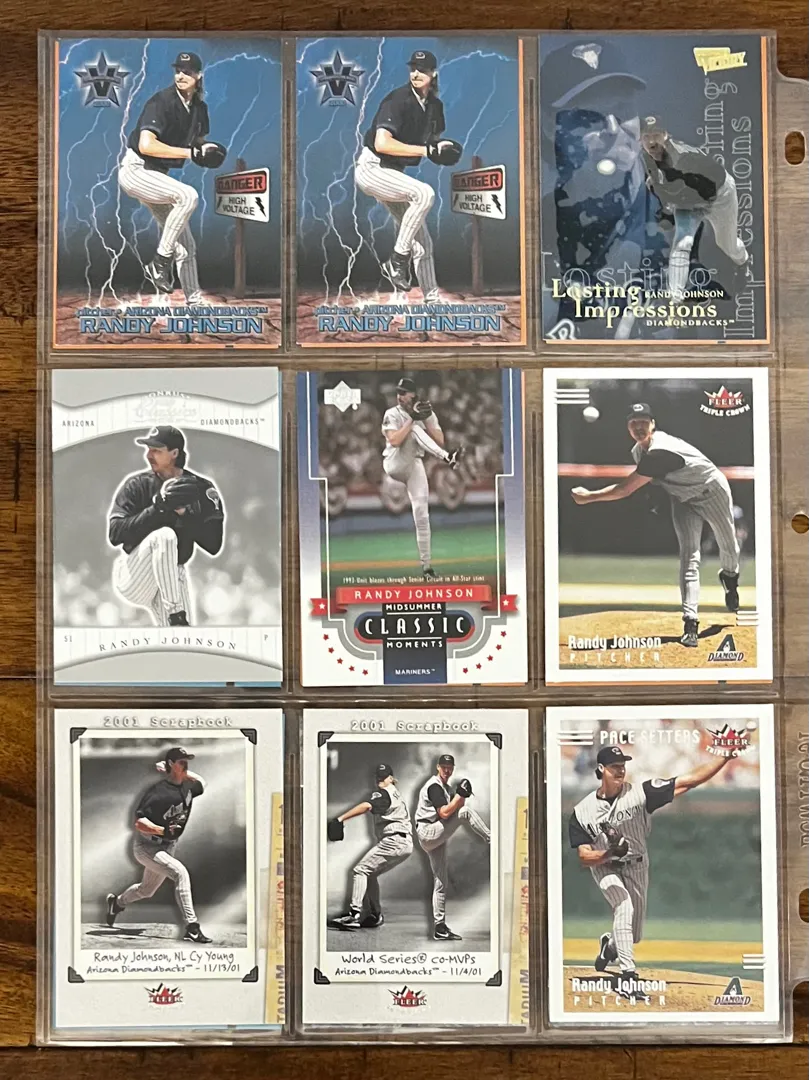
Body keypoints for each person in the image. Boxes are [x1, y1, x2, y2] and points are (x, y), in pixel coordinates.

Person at [570, 402, 740, 647]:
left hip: (712, 491)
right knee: (689, 557)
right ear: (628, 427)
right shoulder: (638, 452)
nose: (638, 427)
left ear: (653, 424)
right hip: (683, 500)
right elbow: (653, 482)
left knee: (729, 546)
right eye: (633, 423)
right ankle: (690, 623)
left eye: (643, 422)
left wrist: (589, 496)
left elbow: (624, 489)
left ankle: (730, 578)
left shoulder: (661, 450)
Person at [568, 743, 732, 994]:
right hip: (605, 866)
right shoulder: (582, 812)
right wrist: (609, 853)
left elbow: (688, 781)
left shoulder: (640, 794)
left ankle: (610, 947)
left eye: (622, 765)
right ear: (601, 769)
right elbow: (584, 856)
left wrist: (725, 757)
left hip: (636, 864)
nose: (620, 770)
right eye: (614, 766)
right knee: (624, 906)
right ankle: (628, 975)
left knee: (632, 934)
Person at [355, 49, 460, 299]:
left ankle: (432, 300)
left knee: (423, 244)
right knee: (424, 194)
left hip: (395, 175)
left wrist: (440, 148)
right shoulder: (398, 99)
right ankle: (397, 260)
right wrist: (426, 150)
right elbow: (382, 144)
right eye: (413, 68)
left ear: (433, 74)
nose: (416, 73)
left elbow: (432, 141)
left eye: (422, 69)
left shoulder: (435, 107)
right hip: (373, 169)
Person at [108, 425, 225, 627]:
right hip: (135, 574)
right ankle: (175, 611)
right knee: (165, 536)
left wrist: (186, 515)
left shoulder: (201, 488)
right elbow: (115, 534)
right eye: (148, 449)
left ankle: (176, 620)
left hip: (170, 576)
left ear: (174, 453)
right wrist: (158, 508)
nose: (149, 455)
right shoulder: (137, 484)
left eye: (156, 450)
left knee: (181, 638)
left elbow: (213, 545)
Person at [105, 746, 212, 944]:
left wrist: (180, 773)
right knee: (180, 873)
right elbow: (139, 823)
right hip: (147, 847)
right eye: (181, 761)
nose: (185, 764)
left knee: (146, 890)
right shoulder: (158, 792)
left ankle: (117, 903)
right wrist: (162, 830)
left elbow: (202, 783)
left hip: (167, 847)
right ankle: (192, 927)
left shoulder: (188, 788)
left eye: (186, 761)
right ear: (171, 763)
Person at [382, 377, 464, 580]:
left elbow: (440, 440)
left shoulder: (426, 412)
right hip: (395, 462)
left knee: (421, 513)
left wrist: (426, 419)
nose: (400, 396)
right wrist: (412, 419)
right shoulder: (391, 413)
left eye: (404, 393)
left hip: (414, 464)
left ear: (414, 395)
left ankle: (427, 568)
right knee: (413, 430)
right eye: (398, 392)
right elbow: (394, 440)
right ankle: (448, 458)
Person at [327, 763, 413, 931]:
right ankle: (375, 915)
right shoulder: (395, 794)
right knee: (370, 874)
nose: (380, 779)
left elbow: (367, 806)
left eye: (384, 776)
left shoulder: (384, 793)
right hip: (403, 842)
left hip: (395, 840)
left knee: (360, 871)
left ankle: (354, 915)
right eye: (378, 776)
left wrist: (340, 819)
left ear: (391, 778)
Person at [415, 753, 490, 940]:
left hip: (433, 833)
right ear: (438, 767)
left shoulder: (445, 788)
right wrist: (459, 796)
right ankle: (492, 839)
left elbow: (455, 807)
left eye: (450, 767)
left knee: (441, 881)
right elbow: (445, 813)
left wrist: (461, 795)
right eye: (444, 767)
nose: (447, 770)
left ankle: (439, 928)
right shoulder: (434, 786)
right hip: (428, 831)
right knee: (466, 812)